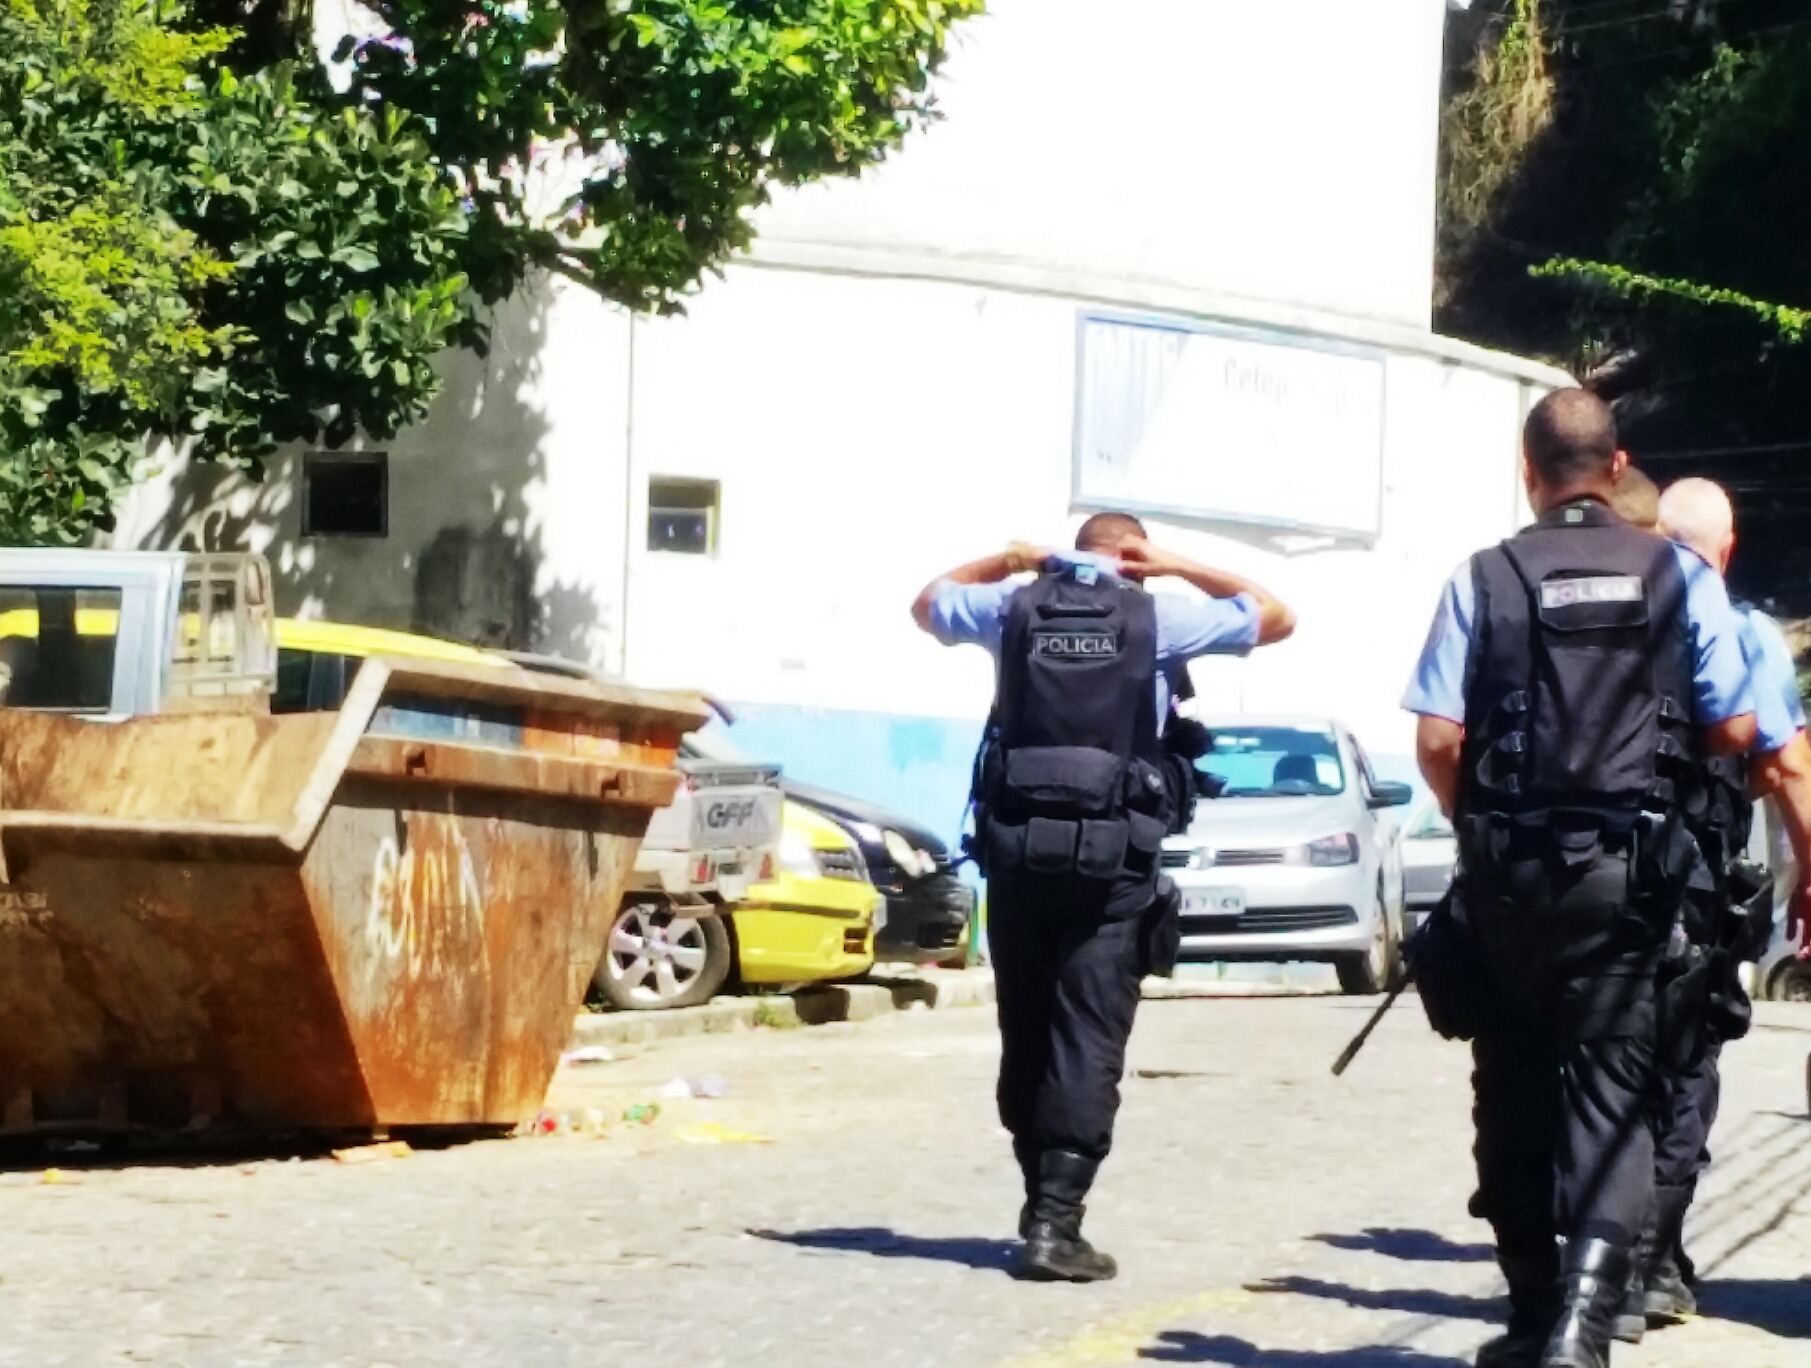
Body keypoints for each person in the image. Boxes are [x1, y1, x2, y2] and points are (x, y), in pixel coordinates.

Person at [1404, 390, 1761, 1368]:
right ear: (1616, 467)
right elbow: (1735, 727)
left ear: (1528, 471)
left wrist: (1475, 822)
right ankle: (1579, 1329)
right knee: (1611, 1093)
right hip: (1628, 878)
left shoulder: (1482, 577)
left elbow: (1438, 740)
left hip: (1508, 879)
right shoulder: (1676, 574)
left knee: (1508, 1083)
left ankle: (1528, 1312)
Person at [911, 513, 1294, 1281]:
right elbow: (1276, 613)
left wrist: (1007, 558)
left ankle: (1036, 1201)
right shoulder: (1159, 615)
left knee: (1026, 1028)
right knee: (1086, 1035)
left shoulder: (1012, 608)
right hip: (1113, 862)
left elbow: (928, 603)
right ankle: (1056, 1222)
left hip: (1018, 853)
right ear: (1129, 555)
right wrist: (1174, 563)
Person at [1627, 477, 1811, 1334]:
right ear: (1725, 548)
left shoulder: (1549, 606)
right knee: (1680, 1065)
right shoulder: (1738, 631)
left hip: (1556, 877)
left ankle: (1580, 1261)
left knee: (1587, 1069)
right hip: (1682, 881)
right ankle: (1649, 1262)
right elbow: (1782, 764)